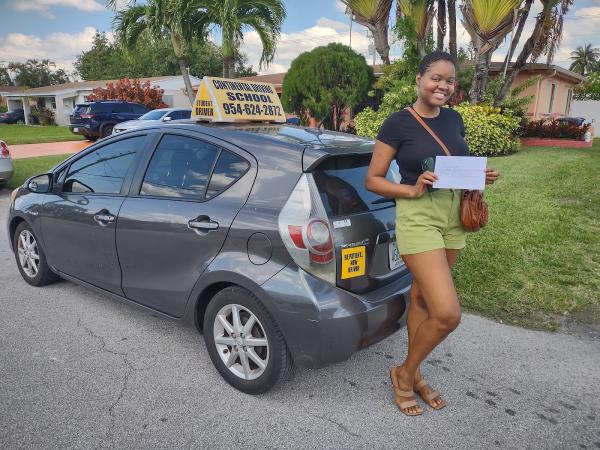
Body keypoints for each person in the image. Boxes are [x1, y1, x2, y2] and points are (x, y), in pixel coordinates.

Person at [364, 51, 500, 416]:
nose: (443, 85)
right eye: (436, 77)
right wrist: (412, 188)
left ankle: (415, 371)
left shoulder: (454, 119)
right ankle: (404, 375)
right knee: (447, 313)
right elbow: (373, 179)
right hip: (419, 214)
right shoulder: (398, 123)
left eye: (450, 80)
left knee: (422, 299)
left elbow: (456, 164)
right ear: (420, 79)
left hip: (454, 213)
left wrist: (480, 177)